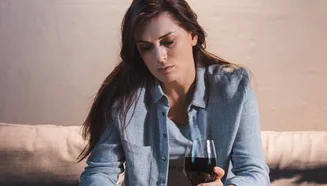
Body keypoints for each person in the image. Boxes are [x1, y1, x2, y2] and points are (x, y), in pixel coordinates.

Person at [78, 0, 270, 185]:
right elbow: (100, 171)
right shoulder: (124, 98)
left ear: (193, 36)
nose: (159, 57)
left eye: (168, 42)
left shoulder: (233, 89)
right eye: (146, 47)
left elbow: (254, 172)